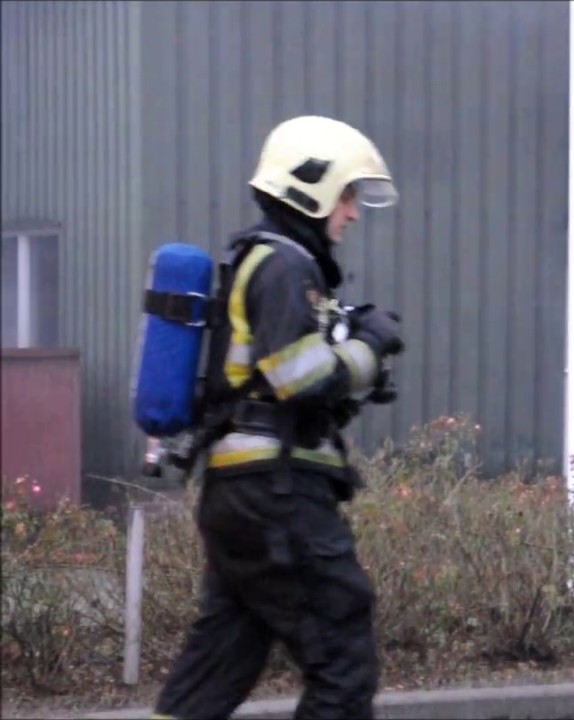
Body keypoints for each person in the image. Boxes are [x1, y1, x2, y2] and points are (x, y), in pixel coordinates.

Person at [151, 115, 405, 720]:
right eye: (347, 194)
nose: (353, 212)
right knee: (342, 656)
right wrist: (370, 343)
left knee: (217, 663)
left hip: (240, 495)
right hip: (278, 495)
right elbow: (302, 379)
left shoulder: (263, 262)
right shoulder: (288, 266)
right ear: (309, 188)